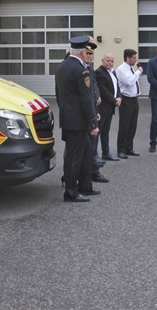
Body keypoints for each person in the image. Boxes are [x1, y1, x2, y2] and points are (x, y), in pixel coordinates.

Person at [55, 36, 100, 202]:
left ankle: (84, 187)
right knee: (74, 157)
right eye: (87, 50)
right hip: (78, 121)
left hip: (69, 117)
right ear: (82, 51)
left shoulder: (62, 67)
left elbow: (59, 95)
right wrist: (93, 122)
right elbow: (86, 99)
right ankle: (71, 192)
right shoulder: (81, 69)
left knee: (84, 153)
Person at [82, 38, 109, 184]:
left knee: (93, 143)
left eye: (92, 53)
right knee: (82, 146)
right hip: (82, 113)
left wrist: (97, 97)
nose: (90, 55)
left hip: (93, 108)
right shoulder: (76, 64)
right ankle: (80, 175)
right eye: (88, 52)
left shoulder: (89, 65)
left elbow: (93, 85)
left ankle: (93, 171)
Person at [116, 48, 143, 158]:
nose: (135, 60)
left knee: (132, 125)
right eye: (134, 58)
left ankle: (129, 148)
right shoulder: (121, 69)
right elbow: (128, 82)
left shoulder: (131, 69)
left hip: (134, 99)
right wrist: (138, 72)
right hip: (126, 99)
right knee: (124, 125)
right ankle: (121, 149)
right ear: (128, 58)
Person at [95, 53, 122, 161]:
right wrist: (114, 100)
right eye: (108, 61)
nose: (110, 63)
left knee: (106, 131)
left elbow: (117, 87)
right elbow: (103, 90)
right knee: (98, 132)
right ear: (102, 61)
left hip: (110, 107)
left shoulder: (113, 72)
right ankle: (95, 155)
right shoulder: (99, 73)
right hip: (102, 108)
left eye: (112, 61)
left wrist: (119, 97)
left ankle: (106, 153)